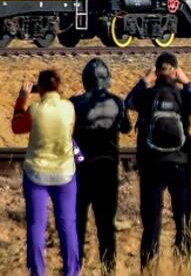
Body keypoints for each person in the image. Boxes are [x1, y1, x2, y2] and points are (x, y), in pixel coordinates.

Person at [126, 52, 191, 267]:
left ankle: (149, 265)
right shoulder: (181, 95)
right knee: (183, 218)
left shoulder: (148, 95)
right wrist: (186, 82)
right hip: (179, 163)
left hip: (151, 164)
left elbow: (129, 102)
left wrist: (144, 81)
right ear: (175, 71)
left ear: (156, 71)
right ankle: (183, 263)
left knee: (151, 221)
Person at [13, 69, 80, 276]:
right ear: (58, 86)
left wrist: (22, 100)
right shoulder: (69, 107)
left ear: (38, 88)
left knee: (36, 224)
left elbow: (16, 127)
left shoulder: (34, 110)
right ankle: (71, 271)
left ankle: (38, 272)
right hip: (65, 173)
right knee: (68, 224)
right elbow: (71, 129)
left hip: (36, 173)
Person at [70, 58, 131, 274]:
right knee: (106, 227)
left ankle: (74, 267)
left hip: (81, 172)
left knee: (77, 225)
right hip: (107, 170)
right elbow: (126, 128)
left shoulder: (75, 104)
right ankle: (109, 269)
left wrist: (78, 159)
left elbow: (67, 138)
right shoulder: (118, 102)